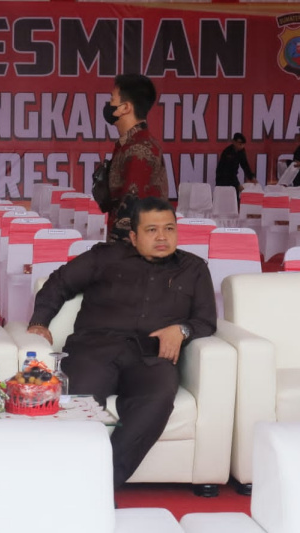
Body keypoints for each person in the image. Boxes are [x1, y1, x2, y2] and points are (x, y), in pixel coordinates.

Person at [26, 197, 216, 488]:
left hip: (150, 357)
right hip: (94, 350)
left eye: (169, 228)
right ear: (134, 236)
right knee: (80, 399)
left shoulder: (193, 268)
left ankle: (99, 484)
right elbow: (58, 283)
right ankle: (72, 480)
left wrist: (182, 330)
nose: (162, 237)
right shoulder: (104, 258)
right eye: (152, 230)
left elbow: (206, 320)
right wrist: (40, 322)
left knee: (158, 398)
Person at [103, 74, 168, 243]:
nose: (108, 105)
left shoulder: (139, 150)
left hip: (133, 250)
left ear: (125, 108)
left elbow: (130, 211)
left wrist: (113, 252)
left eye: (112, 99)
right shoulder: (129, 144)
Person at [215, 133, 256, 200]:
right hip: (223, 178)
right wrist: (237, 185)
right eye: (240, 144)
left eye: (243, 144)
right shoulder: (228, 153)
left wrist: (251, 177)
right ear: (234, 142)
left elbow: (245, 165)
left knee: (235, 199)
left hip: (232, 178)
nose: (242, 146)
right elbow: (230, 171)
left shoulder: (241, 151)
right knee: (224, 199)